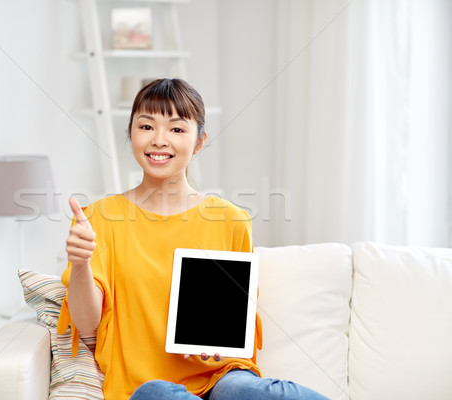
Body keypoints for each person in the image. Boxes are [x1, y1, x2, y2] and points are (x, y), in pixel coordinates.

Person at [60, 78, 329, 400]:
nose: (159, 140)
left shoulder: (230, 220)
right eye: (146, 126)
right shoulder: (102, 217)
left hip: (220, 376)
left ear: (200, 141)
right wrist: (80, 263)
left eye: (176, 129)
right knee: (156, 394)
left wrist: (222, 342)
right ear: (131, 133)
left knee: (243, 389)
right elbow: (86, 323)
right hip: (144, 386)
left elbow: (234, 320)